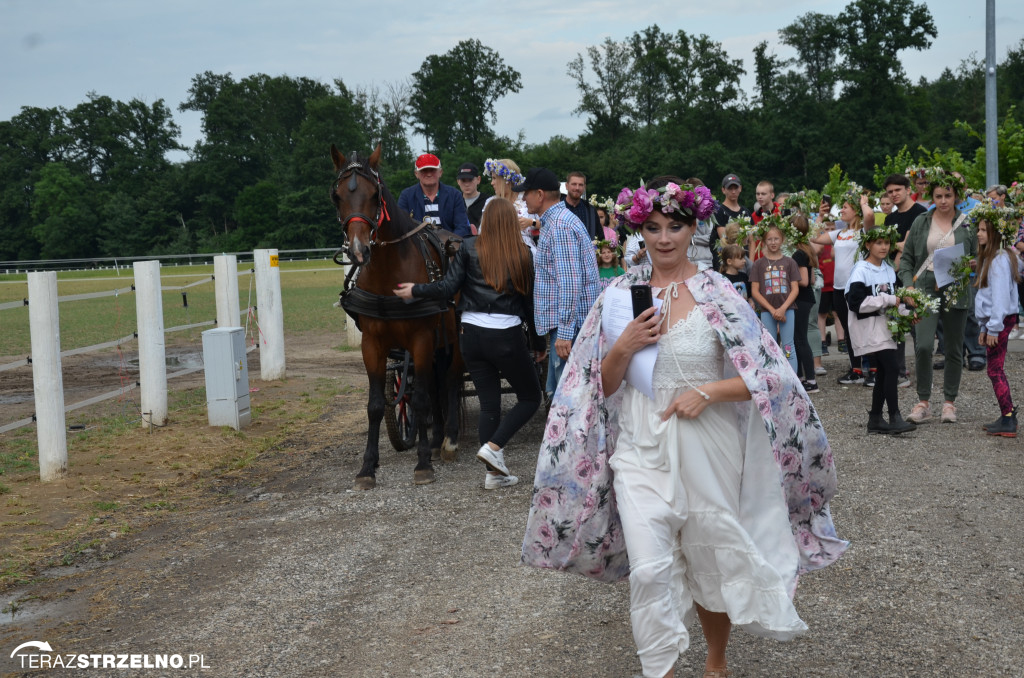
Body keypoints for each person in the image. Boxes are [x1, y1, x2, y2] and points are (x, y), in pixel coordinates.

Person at [522, 176, 847, 678]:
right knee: (650, 568)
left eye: (674, 226)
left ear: (693, 227)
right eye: (652, 228)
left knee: (708, 556)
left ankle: (715, 665)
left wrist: (709, 392)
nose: (664, 238)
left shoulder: (717, 291)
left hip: (708, 440)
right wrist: (625, 345)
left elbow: (766, 376)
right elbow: (598, 386)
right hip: (639, 445)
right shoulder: (618, 295)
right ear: (640, 232)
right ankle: (662, 670)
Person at [393, 198, 544, 489]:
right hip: (506, 334)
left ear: (486, 220)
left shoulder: (469, 247)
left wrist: (416, 290)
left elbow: (448, 288)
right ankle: (494, 447)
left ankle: (494, 475)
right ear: (512, 223)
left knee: (489, 404)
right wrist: (537, 342)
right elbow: (529, 304)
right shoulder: (523, 253)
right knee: (530, 397)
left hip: (470, 334)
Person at [899, 170, 978, 424]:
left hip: (956, 284)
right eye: (938, 196)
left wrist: (973, 263)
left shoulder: (967, 222)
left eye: (948, 195)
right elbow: (908, 258)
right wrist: (907, 287)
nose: (943, 200)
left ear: (957, 196)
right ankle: (923, 401)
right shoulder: (921, 221)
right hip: (924, 284)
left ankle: (949, 403)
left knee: (954, 347)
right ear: (931, 196)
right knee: (922, 345)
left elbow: (977, 254)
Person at [518, 167, 601, 399]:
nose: (523, 198)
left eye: (526, 192)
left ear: (540, 194)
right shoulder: (557, 222)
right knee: (562, 396)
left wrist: (564, 333)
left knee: (568, 400)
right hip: (570, 326)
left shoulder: (560, 227)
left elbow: (570, 283)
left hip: (570, 329)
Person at [844, 226, 916, 435]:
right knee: (892, 368)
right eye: (879, 243)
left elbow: (896, 300)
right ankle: (895, 416)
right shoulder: (861, 270)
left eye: (886, 243)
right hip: (868, 327)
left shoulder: (888, 269)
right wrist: (890, 299)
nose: (884, 247)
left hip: (886, 327)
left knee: (886, 370)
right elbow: (855, 303)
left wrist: (908, 314)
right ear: (868, 245)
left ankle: (875, 418)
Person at [810, 190, 875, 384]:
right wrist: (820, 216)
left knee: (864, 327)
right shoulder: (839, 233)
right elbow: (814, 237)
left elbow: (870, 215)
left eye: (845, 207)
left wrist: (863, 202)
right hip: (839, 288)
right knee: (848, 329)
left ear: (856, 210)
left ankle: (873, 370)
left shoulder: (864, 231)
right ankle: (855, 370)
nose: (841, 211)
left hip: (858, 287)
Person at [970, 203, 1022, 437]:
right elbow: (987, 297)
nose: (979, 233)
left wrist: (993, 327)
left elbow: (999, 299)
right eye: (978, 229)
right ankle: (1006, 415)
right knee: (995, 368)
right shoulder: (993, 258)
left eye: (983, 230)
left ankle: (1008, 418)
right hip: (994, 321)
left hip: (999, 321)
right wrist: (984, 326)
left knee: (995, 369)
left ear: (995, 234)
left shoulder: (999, 261)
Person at [886, 173, 928, 387]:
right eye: (890, 192)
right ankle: (900, 372)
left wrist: (899, 245)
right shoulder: (890, 219)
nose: (893, 194)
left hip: (917, 276)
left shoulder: (921, 213)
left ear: (907, 189)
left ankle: (924, 374)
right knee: (897, 324)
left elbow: (915, 247)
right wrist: (900, 245)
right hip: (894, 277)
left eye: (897, 190)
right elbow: (886, 247)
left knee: (918, 326)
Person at [749, 217, 801, 375]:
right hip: (767, 312)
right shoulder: (759, 264)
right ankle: (773, 378)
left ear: (782, 240)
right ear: (764, 241)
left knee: (787, 346)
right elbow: (755, 291)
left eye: (776, 239)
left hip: (788, 310)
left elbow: (795, 289)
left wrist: (783, 308)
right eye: (769, 239)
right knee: (770, 346)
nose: (773, 242)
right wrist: (773, 311)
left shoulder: (789, 262)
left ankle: (792, 380)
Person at [397, 154, 472, 237]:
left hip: (450, 246)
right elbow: (401, 227)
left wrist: (450, 244)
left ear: (440, 172)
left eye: (432, 170)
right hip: (418, 247)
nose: (429, 174)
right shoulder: (406, 196)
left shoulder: (455, 195)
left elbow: (462, 227)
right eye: (424, 171)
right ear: (416, 174)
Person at [482, 158, 539, 255]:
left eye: (495, 178)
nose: (492, 183)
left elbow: (546, 225)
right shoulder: (491, 203)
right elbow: (482, 232)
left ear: (506, 180)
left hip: (524, 252)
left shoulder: (526, 200)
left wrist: (530, 222)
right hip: (496, 251)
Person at [790, 214, 820, 392]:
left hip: (802, 298)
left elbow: (804, 281)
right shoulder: (807, 249)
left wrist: (787, 278)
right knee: (797, 338)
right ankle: (802, 377)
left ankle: (811, 379)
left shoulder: (799, 253)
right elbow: (814, 278)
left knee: (800, 339)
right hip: (805, 298)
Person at [711, 173, 752, 271]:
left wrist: (750, 262)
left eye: (736, 188)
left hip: (744, 259)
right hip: (727, 260)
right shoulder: (719, 211)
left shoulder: (745, 212)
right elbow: (725, 238)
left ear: (740, 188)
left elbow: (751, 240)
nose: (733, 191)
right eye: (730, 188)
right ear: (723, 190)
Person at [563, 171, 601, 240]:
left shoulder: (591, 210)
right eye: (574, 184)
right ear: (566, 186)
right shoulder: (557, 208)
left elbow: (600, 235)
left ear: (584, 187)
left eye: (580, 185)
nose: (577, 188)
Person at [456, 162, 487, 232]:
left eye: (470, 180)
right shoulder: (454, 201)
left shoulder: (488, 201)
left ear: (478, 180)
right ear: (458, 181)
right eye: (463, 180)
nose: (467, 184)